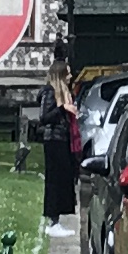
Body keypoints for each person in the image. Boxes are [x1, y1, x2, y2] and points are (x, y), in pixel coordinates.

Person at [36, 91, 83, 223]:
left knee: (64, 179)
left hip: (63, 138)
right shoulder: (50, 92)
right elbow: (45, 117)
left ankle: (59, 215)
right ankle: (53, 218)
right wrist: (63, 108)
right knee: (54, 180)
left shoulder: (64, 92)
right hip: (54, 139)